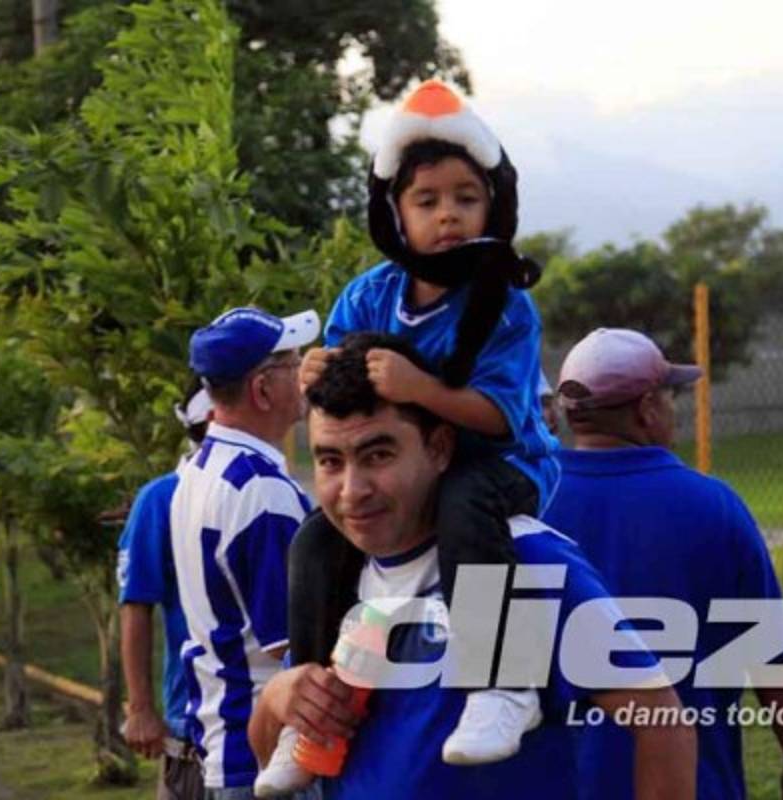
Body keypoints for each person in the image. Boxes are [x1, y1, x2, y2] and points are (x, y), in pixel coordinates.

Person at [249, 333, 697, 800]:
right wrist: (279, 699)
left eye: (378, 456)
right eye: (330, 461)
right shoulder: (333, 570)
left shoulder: (529, 560)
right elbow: (268, 753)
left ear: (439, 448)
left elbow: (663, 724)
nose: (352, 490)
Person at [280, 79, 559, 784]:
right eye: (427, 201)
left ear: (495, 205)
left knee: (466, 505)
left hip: (501, 463)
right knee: (315, 540)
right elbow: (341, 394)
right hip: (405, 471)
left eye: (466, 198)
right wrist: (315, 373)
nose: (449, 215)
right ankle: (312, 706)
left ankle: (504, 683)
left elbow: (502, 417)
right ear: (394, 213)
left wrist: (422, 390)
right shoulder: (367, 294)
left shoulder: (505, 304)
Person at [542, 328, 783, 800]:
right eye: (670, 396)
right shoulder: (714, 506)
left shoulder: (533, 505)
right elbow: (770, 653)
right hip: (694, 783)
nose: (675, 410)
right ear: (646, 409)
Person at [171, 307, 321, 799]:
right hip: (266, 748)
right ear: (262, 389)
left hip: (225, 737)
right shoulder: (261, 491)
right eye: (293, 363)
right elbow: (290, 640)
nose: (303, 373)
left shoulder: (200, 470)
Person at [118, 382, 213, 800]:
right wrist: (140, 707)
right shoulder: (162, 499)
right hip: (192, 738)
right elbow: (135, 603)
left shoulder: (275, 487)